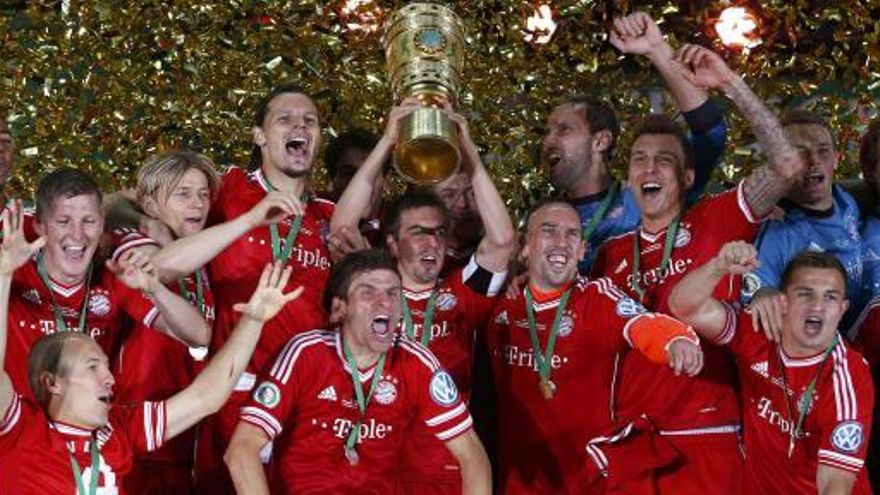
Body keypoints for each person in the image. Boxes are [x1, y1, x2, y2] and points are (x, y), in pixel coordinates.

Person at [590, 42, 804, 493]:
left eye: (664, 160)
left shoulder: (714, 219)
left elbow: (787, 165)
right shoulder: (609, 255)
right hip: (631, 440)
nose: (650, 169)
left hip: (706, 439)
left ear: (687, 178)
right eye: (639, 160)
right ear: (628, 179)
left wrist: (731, 84)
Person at [0, 200, 305, 493]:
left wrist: (254, 320)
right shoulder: (20, 429)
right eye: (93, 367)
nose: (110, 378)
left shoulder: (119, 429)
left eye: (106, 367)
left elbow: (206, 398)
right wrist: (3, 276)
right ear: (52, 382)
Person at [145, 83, 335, 493]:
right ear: (259, 136)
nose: (299, 126)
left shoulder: (328, 216)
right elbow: (154, 252)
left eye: (310, 121)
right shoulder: (227, 188)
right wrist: (148, 224)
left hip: (308, 401)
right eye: (284, 119)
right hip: (235, 393)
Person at [331, 100, 515, 493]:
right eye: (419, 232)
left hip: (440, 467)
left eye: (439, 233)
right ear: (393, 244)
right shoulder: (368, 287)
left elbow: (501, 241)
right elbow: (343, 223)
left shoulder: (460, 296)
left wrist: (468, 152)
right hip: (373, 459)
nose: (432, 242)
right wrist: (387, 141)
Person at [224, 249, 492, 494]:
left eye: (392, 293)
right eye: (368, 292)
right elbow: (241, 449)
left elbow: (472, 455)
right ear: (340, 308)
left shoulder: (415, 361)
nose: (384, 302)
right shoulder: (306, 353)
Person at [485, 199, 703, 494]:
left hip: (589, 481)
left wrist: (676, 340)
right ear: (525, 246)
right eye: (548, 231)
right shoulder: (497, 304)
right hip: (519, 483)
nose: (561, 243)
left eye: (572, 234)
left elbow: (642, 323)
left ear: (582, 250)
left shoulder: (597, 298)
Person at [669, 243, 874, 494]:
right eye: (805, 294)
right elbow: (683, 307)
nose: (817, 306)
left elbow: (835, 482)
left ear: (842, 310)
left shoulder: (847, 377)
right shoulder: (758, 331)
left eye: (830, 296)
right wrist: (718, 266)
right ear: (783, 302)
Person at [2, 168, 211, 402]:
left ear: (102, 223)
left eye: (89, 221)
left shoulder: (113, 275)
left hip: (86, 429)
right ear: (40, 226)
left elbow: (199, 335)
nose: (77, 235)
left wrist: (155, 288)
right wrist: (4, 275)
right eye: (63, 221)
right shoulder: (14, 271)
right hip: (18, 429)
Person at [543, 12, 727, 274]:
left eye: (563, 130)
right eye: (547, 132)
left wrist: (656, 50)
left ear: (601, 141)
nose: (549, 140)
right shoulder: (546, 221)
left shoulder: (650, 192)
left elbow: (710, 131)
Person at [106, 150, 220, 494]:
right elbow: (109, 201)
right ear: (151, 206)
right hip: (143, 441)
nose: (197, 204)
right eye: (183, 194)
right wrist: (141, 220)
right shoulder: (135, 244)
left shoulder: (209, 258)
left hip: (193, 442)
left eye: (203, 194)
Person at [742, 110, 867, 333]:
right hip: (818, 348)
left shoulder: (847, 202)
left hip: (863, 330)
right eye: (800, 153)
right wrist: (762, 294)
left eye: (823, 151)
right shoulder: (776, 233)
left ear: (837, 160)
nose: (814, 161)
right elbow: (755, 294)